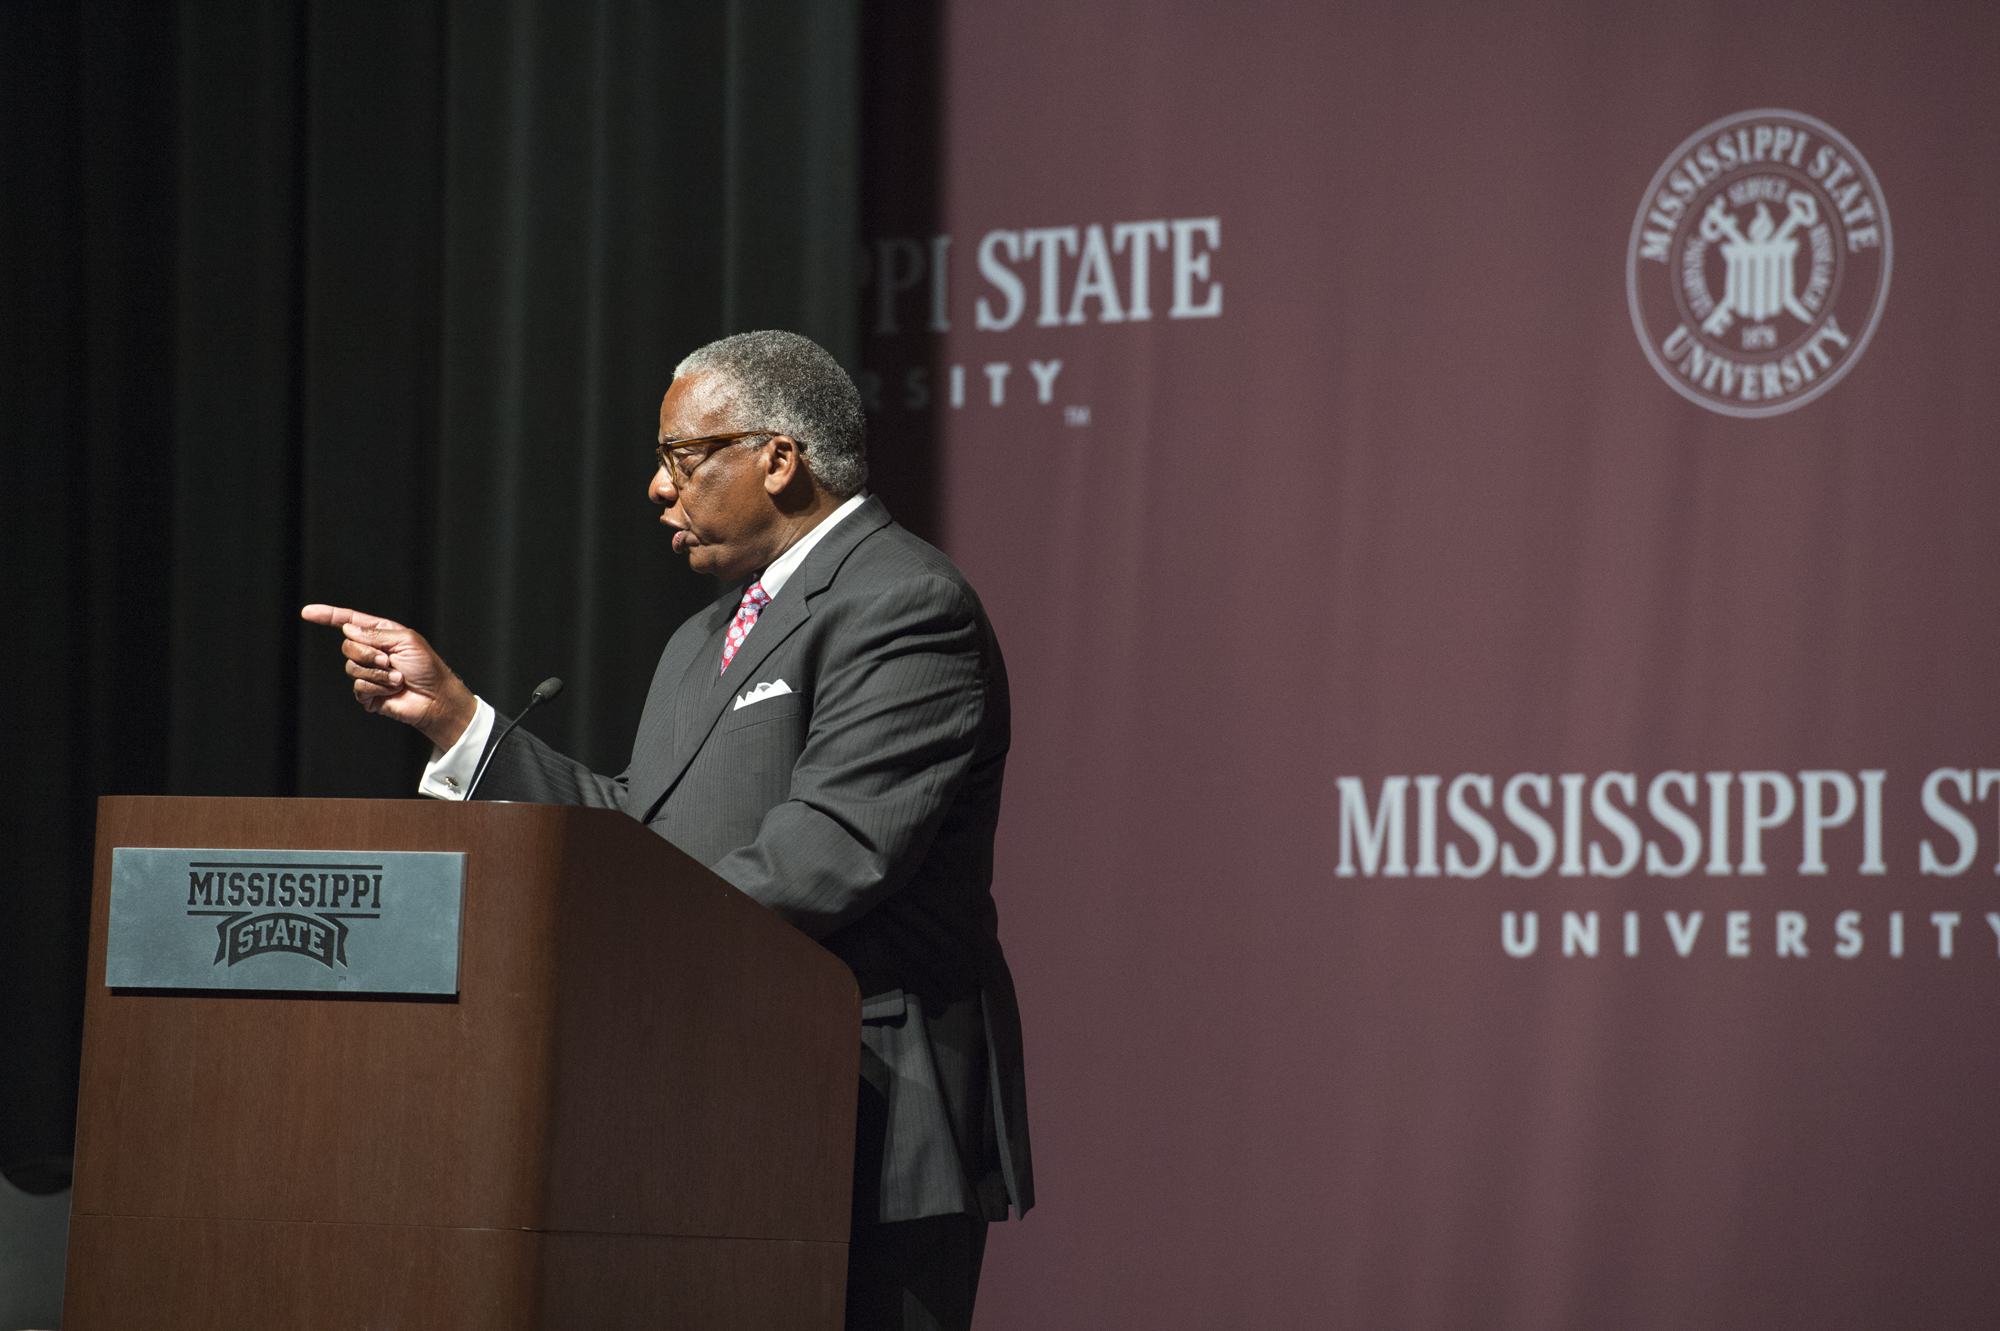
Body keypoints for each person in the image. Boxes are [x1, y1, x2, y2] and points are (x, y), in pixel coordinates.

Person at [302, 329, 1031, 1330]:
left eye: (679, 458)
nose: (655, 488)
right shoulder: (705, 635)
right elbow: (644, 839)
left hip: (863, 1108)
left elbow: (827, 857)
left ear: (777, 457)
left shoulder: (902, 601)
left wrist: (597, 954)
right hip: (707, 1094)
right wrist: (459, 719)